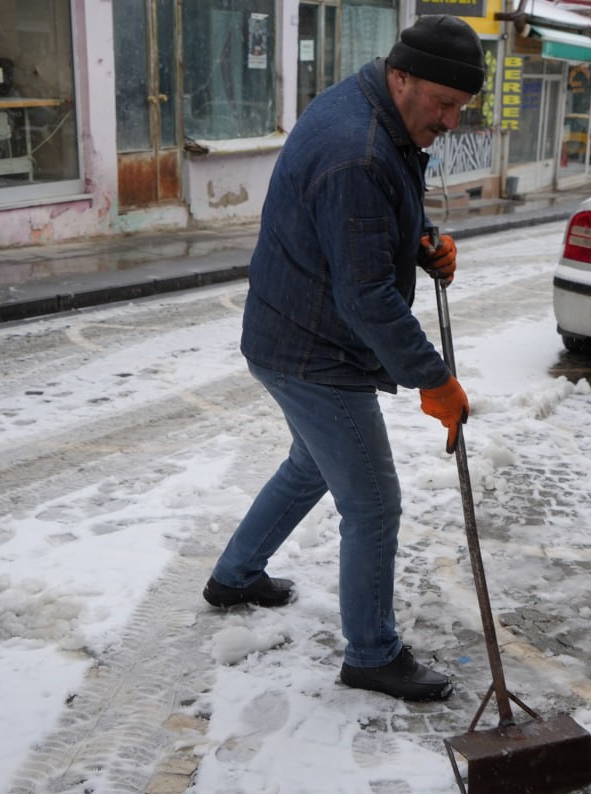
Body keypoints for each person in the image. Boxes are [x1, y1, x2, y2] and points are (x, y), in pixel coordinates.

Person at [200, 16, 485, 702]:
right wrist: (434, 380)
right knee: (374, 503)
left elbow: (372, 213)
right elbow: (367, 300)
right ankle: (371, 652)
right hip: (312, 347)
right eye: (442, 104)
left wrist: (421, 236)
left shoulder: (376, 112)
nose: (449, 121)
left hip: (293, 328)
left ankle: (235, 576)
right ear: (402, 77)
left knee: (310, 463)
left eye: (459, 108)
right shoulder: (354, 148)